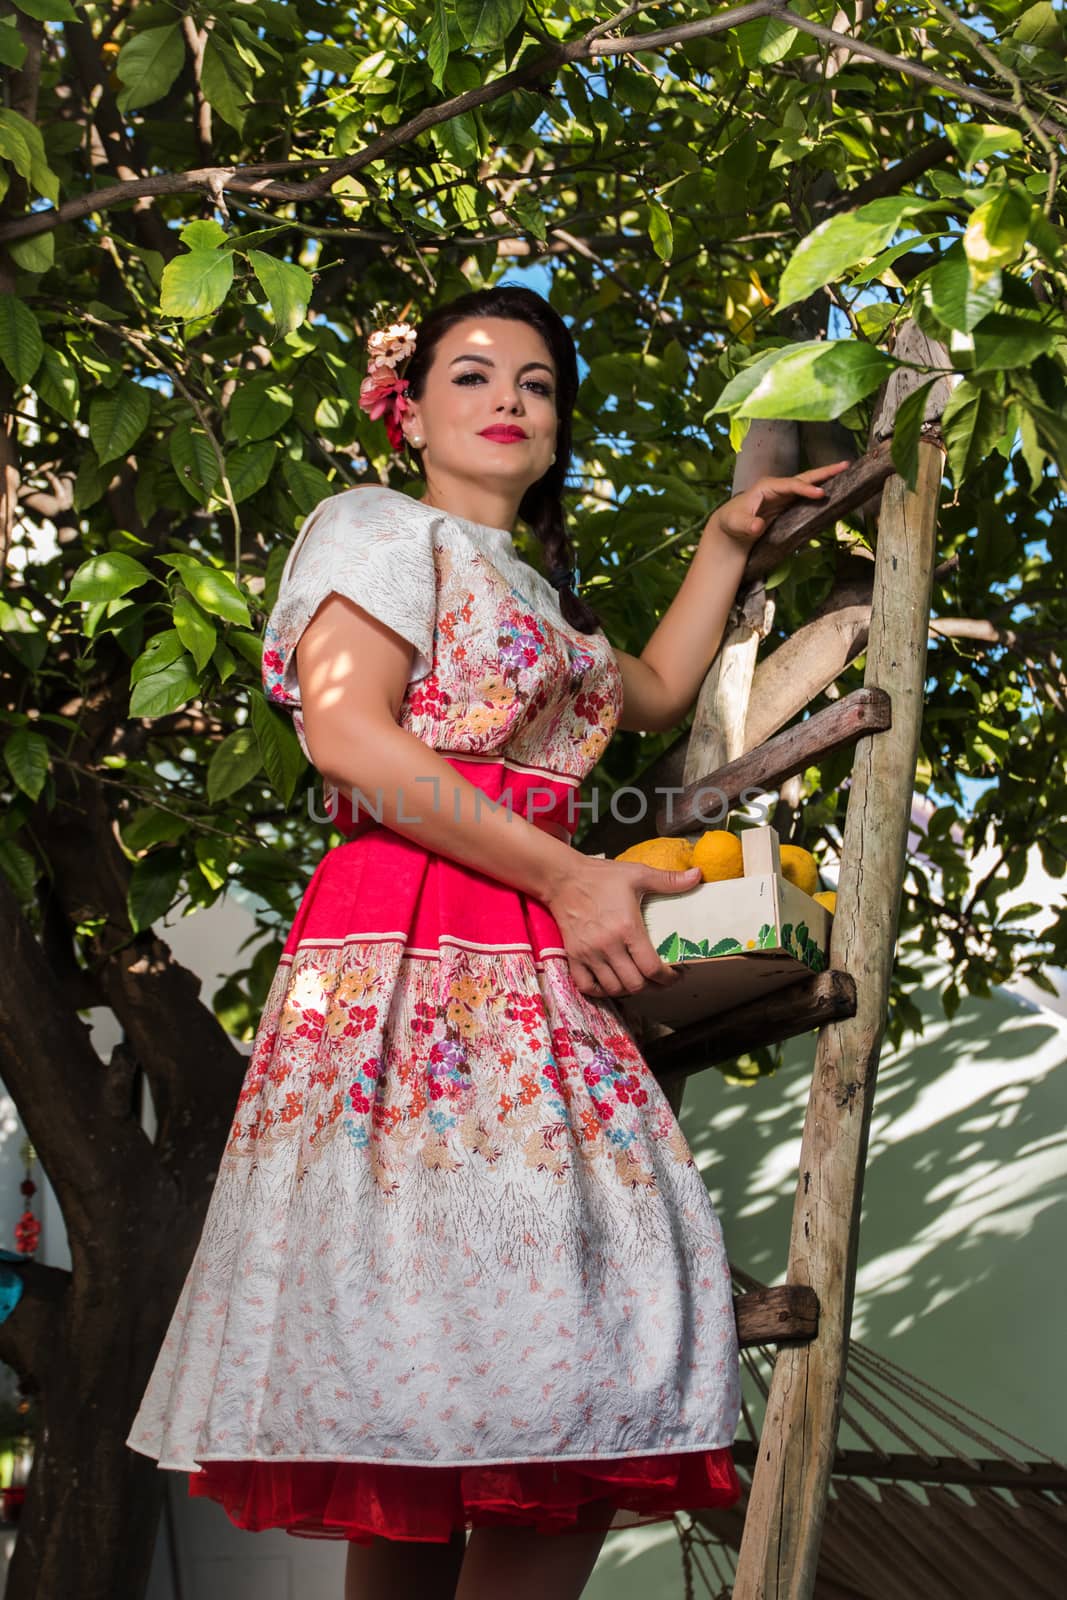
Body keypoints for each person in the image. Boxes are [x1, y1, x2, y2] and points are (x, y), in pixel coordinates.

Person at [126, 284, 848, 1599]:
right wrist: (576, 877)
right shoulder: (374, 528)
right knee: (435, 1361)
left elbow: (659, 690)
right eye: (471, 375)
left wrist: (724, 538)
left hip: (533, 955)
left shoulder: (545, 604)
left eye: (536, 383)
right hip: (412, 939)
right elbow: (348, 739)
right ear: (406, 415)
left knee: (572, 1358)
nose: (510, 398)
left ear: (560, 432)